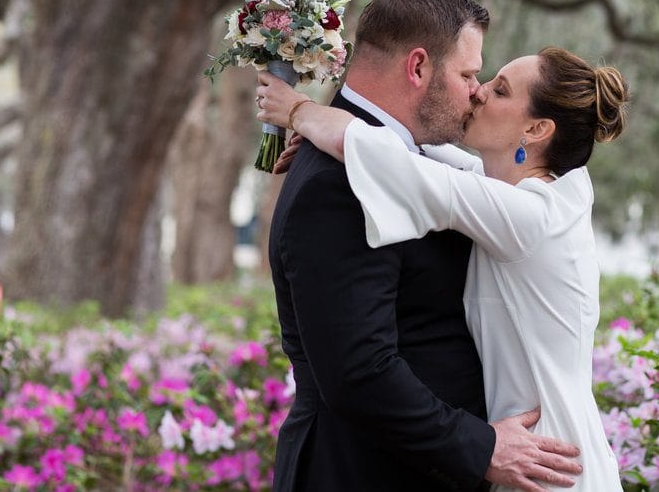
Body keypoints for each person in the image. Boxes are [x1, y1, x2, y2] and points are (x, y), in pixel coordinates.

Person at [257, 44, 629, 492]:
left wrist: (297, 110)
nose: (479, 93)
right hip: (529, 454)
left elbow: (397, 166)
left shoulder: (529, 219)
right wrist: (328, 142)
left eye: (501, 90)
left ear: (536, 128)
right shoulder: (541, 195)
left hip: (547, 465)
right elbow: (416, 156)